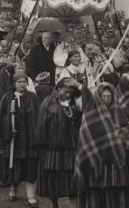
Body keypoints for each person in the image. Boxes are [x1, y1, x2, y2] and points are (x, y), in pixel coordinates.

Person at [74, 82, 129, 208]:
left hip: (116, 162)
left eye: (109, 96)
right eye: (104, 96)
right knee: (97, 195)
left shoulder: (118, 111)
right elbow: (88, 138)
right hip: (97, 164)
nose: (107, 99)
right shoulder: (90, 114)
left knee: (117, 193)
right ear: (98, 97)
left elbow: (122, 130)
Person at [0, 73, 39, 207]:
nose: (22, 84)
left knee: (30, 167)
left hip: (30, 139)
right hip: (14, 140)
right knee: (15, 166)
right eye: (19, 82)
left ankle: (31, 196)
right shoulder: (7, 98)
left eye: (24, 82)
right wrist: (8, 129)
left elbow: (39, 116)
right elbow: (1, 118)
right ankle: (13, 190)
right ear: (14, 83)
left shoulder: (33, 97)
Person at [37, 77, 82, 208]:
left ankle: (74, 204)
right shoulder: (48, 103)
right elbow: (41, 127)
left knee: (71, 178)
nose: (68, 94)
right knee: (54, 180)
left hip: (71, 147)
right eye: (66, 91)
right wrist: (43, 149)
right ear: (58, 89)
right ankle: (55, 204)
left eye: (70, 92)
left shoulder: (75, 103)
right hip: (53, 148)